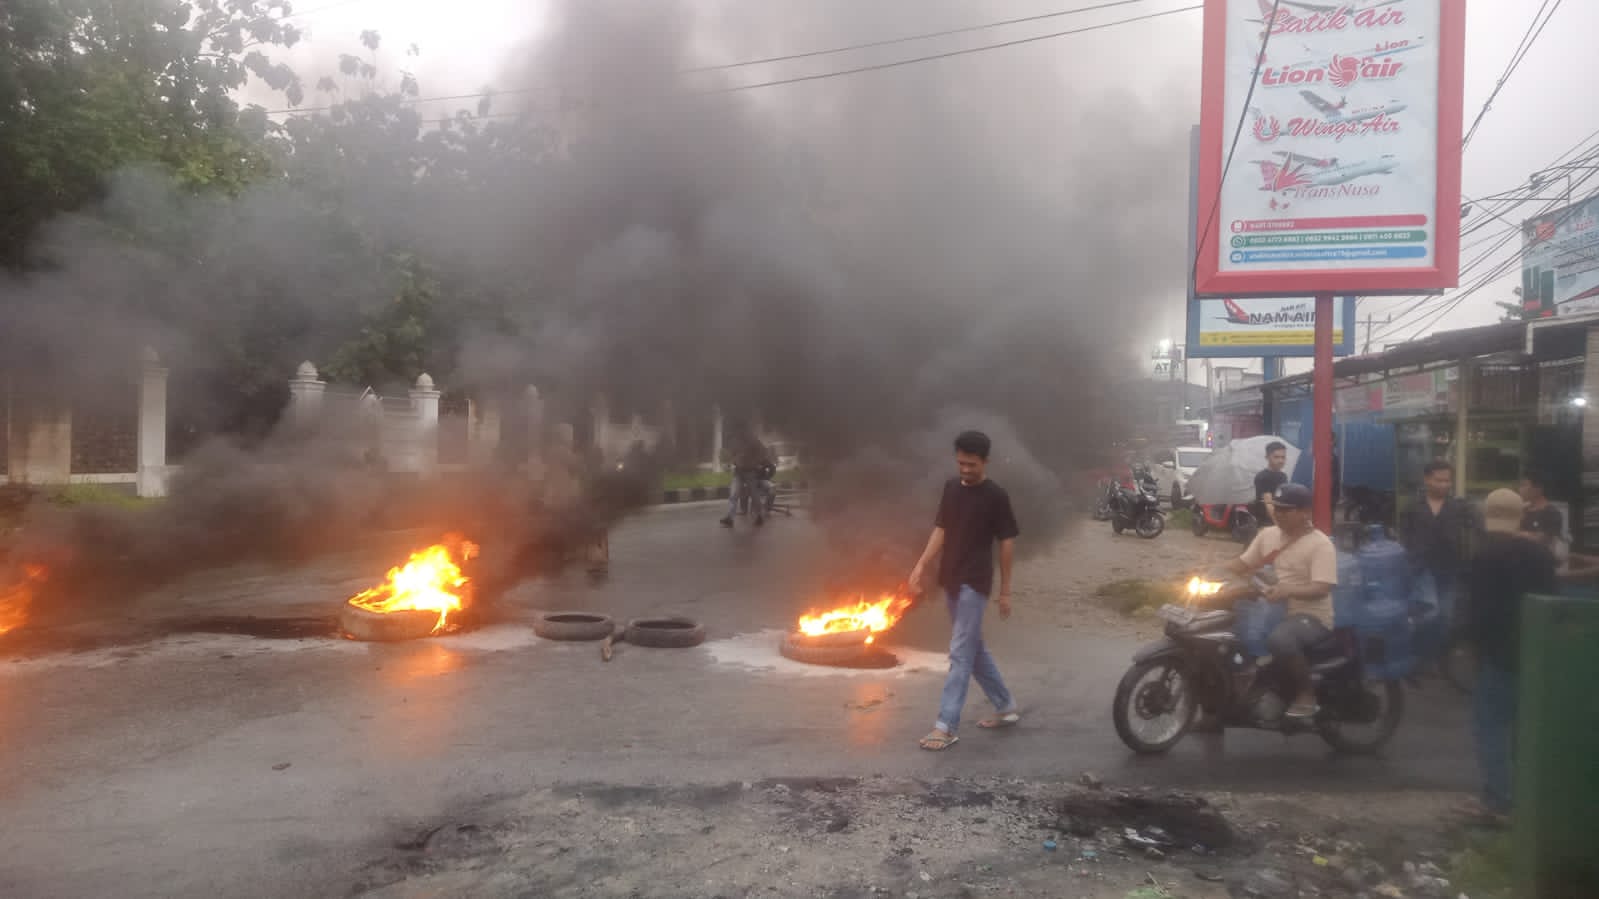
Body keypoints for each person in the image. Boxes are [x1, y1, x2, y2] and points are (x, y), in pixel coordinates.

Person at [907, 430, 1021, 752]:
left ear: (985, 461)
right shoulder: (951, 488)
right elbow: (941, 529)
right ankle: (1006, 706)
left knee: (959, 650)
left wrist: (1006, 590)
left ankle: (946, 725)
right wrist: (920, 565)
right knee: (974, 648)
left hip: (976, 581)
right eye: (961, 463)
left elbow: (1007, 542)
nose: (966, 470)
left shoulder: (996, 496)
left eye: (972, 464)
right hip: (952, 578)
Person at [1465, 488, 1558, 822]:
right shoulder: (1542, 557)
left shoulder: (1484, 557)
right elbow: (1552, 604)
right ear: (1520, 515)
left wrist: (1472, 649)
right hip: (1534, 652)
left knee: (1490, 725)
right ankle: (1528, 799)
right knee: (1525, 728)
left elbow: (1478, 614)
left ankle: (1498, 802)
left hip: (1497, 654)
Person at [1221, 483, 1337, 719]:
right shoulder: (1268, 535)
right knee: (1218, 633)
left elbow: (1322, 588)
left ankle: (1307, 695)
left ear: (1305, 513)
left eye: (1287, 510)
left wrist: (1287, 591)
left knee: (1280, 638)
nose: (1280, 514)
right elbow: (1243, 564)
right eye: (1278, 508)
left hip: (1309, 616)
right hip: (1269, 610)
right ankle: (1218, 707)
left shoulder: (1321, 545)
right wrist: (1206, 572)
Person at [1398, 460, 1479, 658]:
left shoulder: (1459, 507)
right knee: (1429, 611)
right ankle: (1416, 652)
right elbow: (1404, 536)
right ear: (1426, 479)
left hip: (1448, 568)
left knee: (1445, 616)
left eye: (1447, 481)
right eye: (1439, 480)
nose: (1444, 485)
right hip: (1421, 568)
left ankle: (1435, 656)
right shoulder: (1412, 506)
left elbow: (1478, 526)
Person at [719, 431, 774, 528]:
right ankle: (730, 518)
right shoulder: (738, 443)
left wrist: (764, 474)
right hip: (738, 473)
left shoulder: (755, 443)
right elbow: (734, 456)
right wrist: (732, 462)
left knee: (754, 495)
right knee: (734, 494)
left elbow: (765, 457)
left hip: (751, 473)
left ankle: (759, 515)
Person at [1252, 441, 1290, 527]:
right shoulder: (1263, 477)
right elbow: (1268, 504)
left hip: (1279, 518)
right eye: (1276, 457)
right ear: (1267, 457)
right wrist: (1279, 525)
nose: (1280, 460)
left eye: (1283, 457)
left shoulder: (1283, 476)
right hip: (1266, 522)